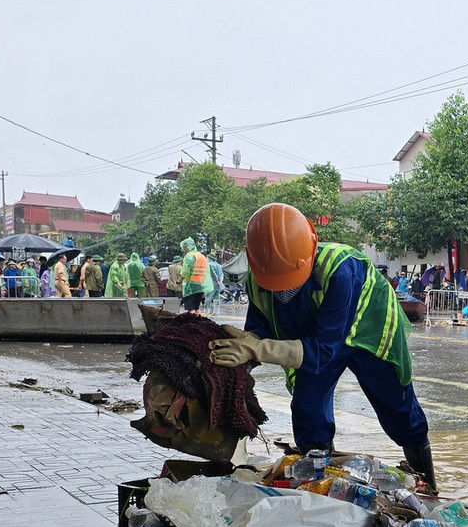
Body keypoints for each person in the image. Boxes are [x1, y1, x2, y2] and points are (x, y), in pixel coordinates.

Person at [208, 203, 438, 492]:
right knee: (308, 407)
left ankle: (427, 484)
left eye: (287, 283)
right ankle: (318, 479)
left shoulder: (340, 270)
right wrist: (234, 359)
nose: (281, 291)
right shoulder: (259, 282)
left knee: (398, 407)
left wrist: (257, 348)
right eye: (274, 285)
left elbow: (321, 350)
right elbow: (259, 334)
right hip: (314, 339)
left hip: (369, 330)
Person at [178, 238, 214, 313]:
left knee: (191, 308)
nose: (183, 250)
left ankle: (193, 323)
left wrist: (178, 281)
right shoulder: (201, 256)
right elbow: (207, 272)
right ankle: (199, 323)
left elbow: (185, 271)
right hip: (200, 285)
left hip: (191, 286)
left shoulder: (189, 256)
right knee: (196, 307)